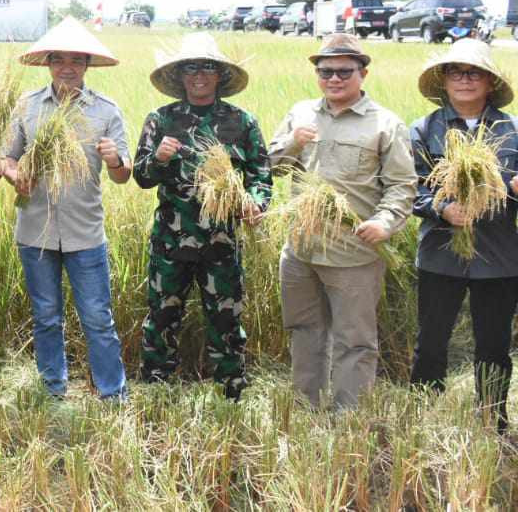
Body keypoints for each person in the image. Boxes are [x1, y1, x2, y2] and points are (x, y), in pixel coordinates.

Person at [0, 16, 129, 398]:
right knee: (46, 316)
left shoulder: (106, 111)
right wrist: (15, 176)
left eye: (76, 60)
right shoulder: (27, 107)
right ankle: (53, 388)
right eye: (59, 59)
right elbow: (6, 158)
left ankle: (112, 391)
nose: (68, 67)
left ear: (87, 66)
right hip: (35, 230)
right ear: (47, 63)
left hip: (85, 231)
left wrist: (113, 159)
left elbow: (123, 175)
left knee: (97, 317)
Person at [268, 33, 416, 409]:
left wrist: (385, 223)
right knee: (304, 330)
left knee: (355, 340)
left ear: (362, 73)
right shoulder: (301, 113)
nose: (334, 78)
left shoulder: (385, 123)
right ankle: (307, 406)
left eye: (343, 71)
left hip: (354, 253)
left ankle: (348, 417)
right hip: (300, 251)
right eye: (325, 71)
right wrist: (293, 144)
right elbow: (270, 167)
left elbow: (401, 186)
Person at [132, 32, 272, 400]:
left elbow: (260, 172)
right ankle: (156, 390)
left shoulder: (241, 121)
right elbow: (142, 177)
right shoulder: (160, 120)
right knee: (162, 317)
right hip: (171, 242)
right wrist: (159, 158)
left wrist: (256, 203)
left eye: (207, 67)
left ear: (220, 75)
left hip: (221, 242)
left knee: (225, 319)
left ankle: (231, 392)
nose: (198, 74)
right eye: (190, 67)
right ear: (179, 75)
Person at [408, 39, 518, 431]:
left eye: (474, 73)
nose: (465, 80)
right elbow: (409, 190)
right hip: (440, 254)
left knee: (493, 344)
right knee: (432, 340)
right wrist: (442, 208)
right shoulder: (424, 130)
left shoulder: (513, 131)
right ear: (444, 80)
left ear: (490, 82)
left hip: (499, 257)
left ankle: (493, 420)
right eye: (456, 72)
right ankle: (424, 418)